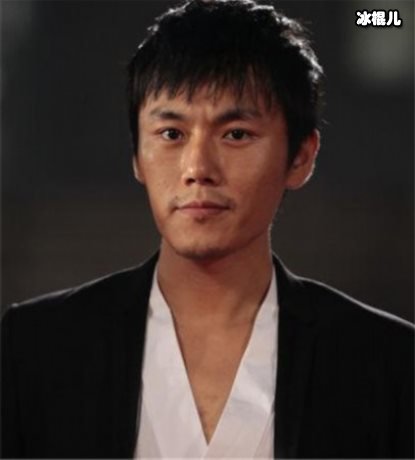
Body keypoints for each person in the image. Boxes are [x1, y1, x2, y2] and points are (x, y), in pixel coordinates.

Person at [2, 0, 413, 458]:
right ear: (136, 155)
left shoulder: (386, 361)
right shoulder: (36, 346)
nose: (198, 168)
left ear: (301, 156)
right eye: (171, 134)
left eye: (235, 134)